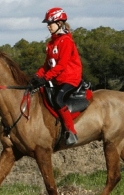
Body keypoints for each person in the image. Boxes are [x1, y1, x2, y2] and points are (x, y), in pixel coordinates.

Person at [32, 7, 82, 145]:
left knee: (58, 98)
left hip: (70, 79)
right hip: (58, 79)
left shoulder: (66, 41)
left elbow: (61, 65)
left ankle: (71, 132)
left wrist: (46, 78)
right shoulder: (51, 43)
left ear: (59, 23)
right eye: (47, 24)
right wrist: (37, 76)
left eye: (50, 23)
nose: (48, 26)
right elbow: (47, 65)